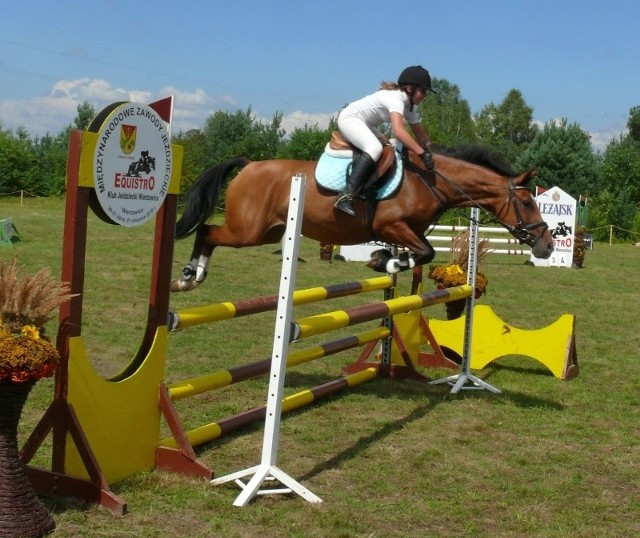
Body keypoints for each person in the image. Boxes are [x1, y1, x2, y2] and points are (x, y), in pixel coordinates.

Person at [334, 65, 436, 217]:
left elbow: (421, 136)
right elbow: (399, 131)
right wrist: (421, 153)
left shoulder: (410, 107)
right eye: (422, 90)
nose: (425, 95)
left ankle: (368, 188)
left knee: (389, 147)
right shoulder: (396, 99)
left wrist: (432, 152)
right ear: (409, 88)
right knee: (374, 148)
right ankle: (345, 196)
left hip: (365, 124)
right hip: (350, 119)